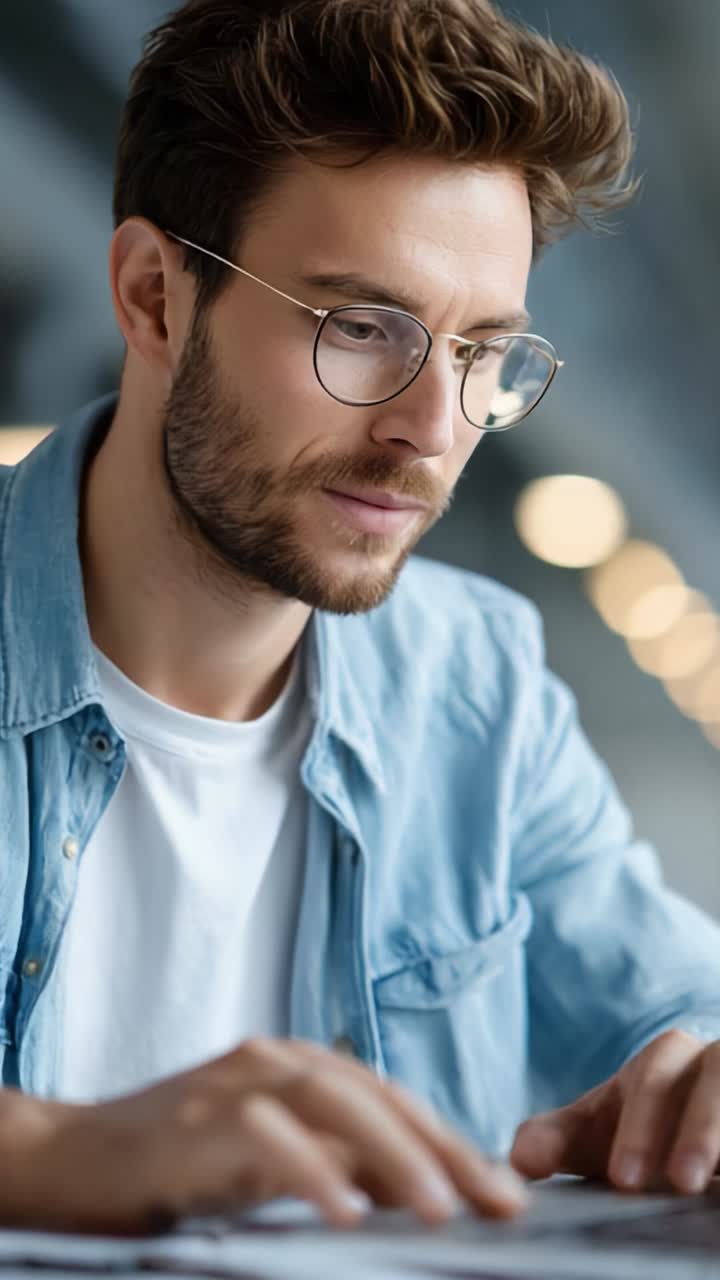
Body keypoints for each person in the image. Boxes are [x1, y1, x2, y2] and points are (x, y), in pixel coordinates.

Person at [1, 0, 719, 1238]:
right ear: (154, 297)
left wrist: (702, 1080)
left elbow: (676, 1004)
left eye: (481, 352)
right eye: (361, 328)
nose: (431, 431)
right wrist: (55, 1148)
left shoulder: (479, 686)